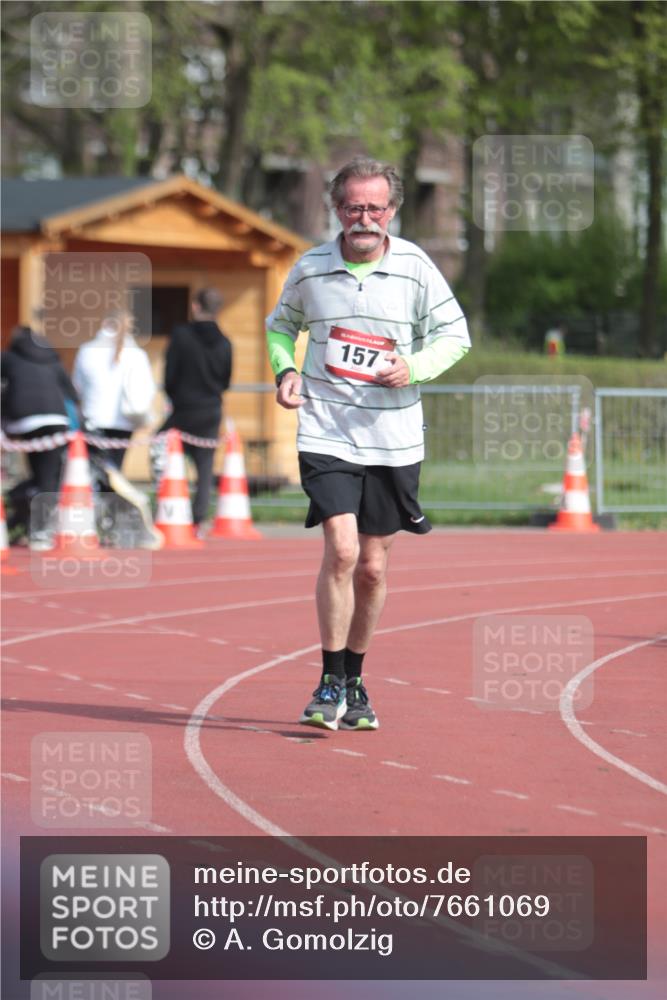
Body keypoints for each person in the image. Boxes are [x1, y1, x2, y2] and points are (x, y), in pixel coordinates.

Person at [266, 157, 471, 732]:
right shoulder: (311, 268)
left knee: (373, 568)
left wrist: (414, 367)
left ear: (392, 211)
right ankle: (329, 679)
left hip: (393, 439)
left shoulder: (415, 267)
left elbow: (455, 336)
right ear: (336, 209)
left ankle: (355, 681)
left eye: (375, 208)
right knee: (342, 550)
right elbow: (281, 326)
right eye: (353, 207)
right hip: (327, 430)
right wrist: (286, 370)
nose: (364, 218)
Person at [159, 288, 233, 530]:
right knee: (204, 465)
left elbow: (169, 375)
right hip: (210, 409)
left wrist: (174, 396)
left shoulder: (181, 335)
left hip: (183, 408)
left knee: (160, 451)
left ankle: (167, 508)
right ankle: (197, 518)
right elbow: (225, 381)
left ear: (195, 306)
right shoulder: (224, 342)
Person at [1, 324, 79, 548]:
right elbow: (72, 393)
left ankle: (28, 517)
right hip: (56, 420)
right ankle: (39, 528)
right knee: (47, 477)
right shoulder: (52, 358)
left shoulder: (9, 358)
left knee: (40, 476)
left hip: (25, 421)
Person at [72, 308, 155, 471]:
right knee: (115, 470)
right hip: (124, 421)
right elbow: (148, 389)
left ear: (105, 323)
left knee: (93, 469)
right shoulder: (137, 355)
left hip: (93, 419)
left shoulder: (87, 350)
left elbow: (77, 386)